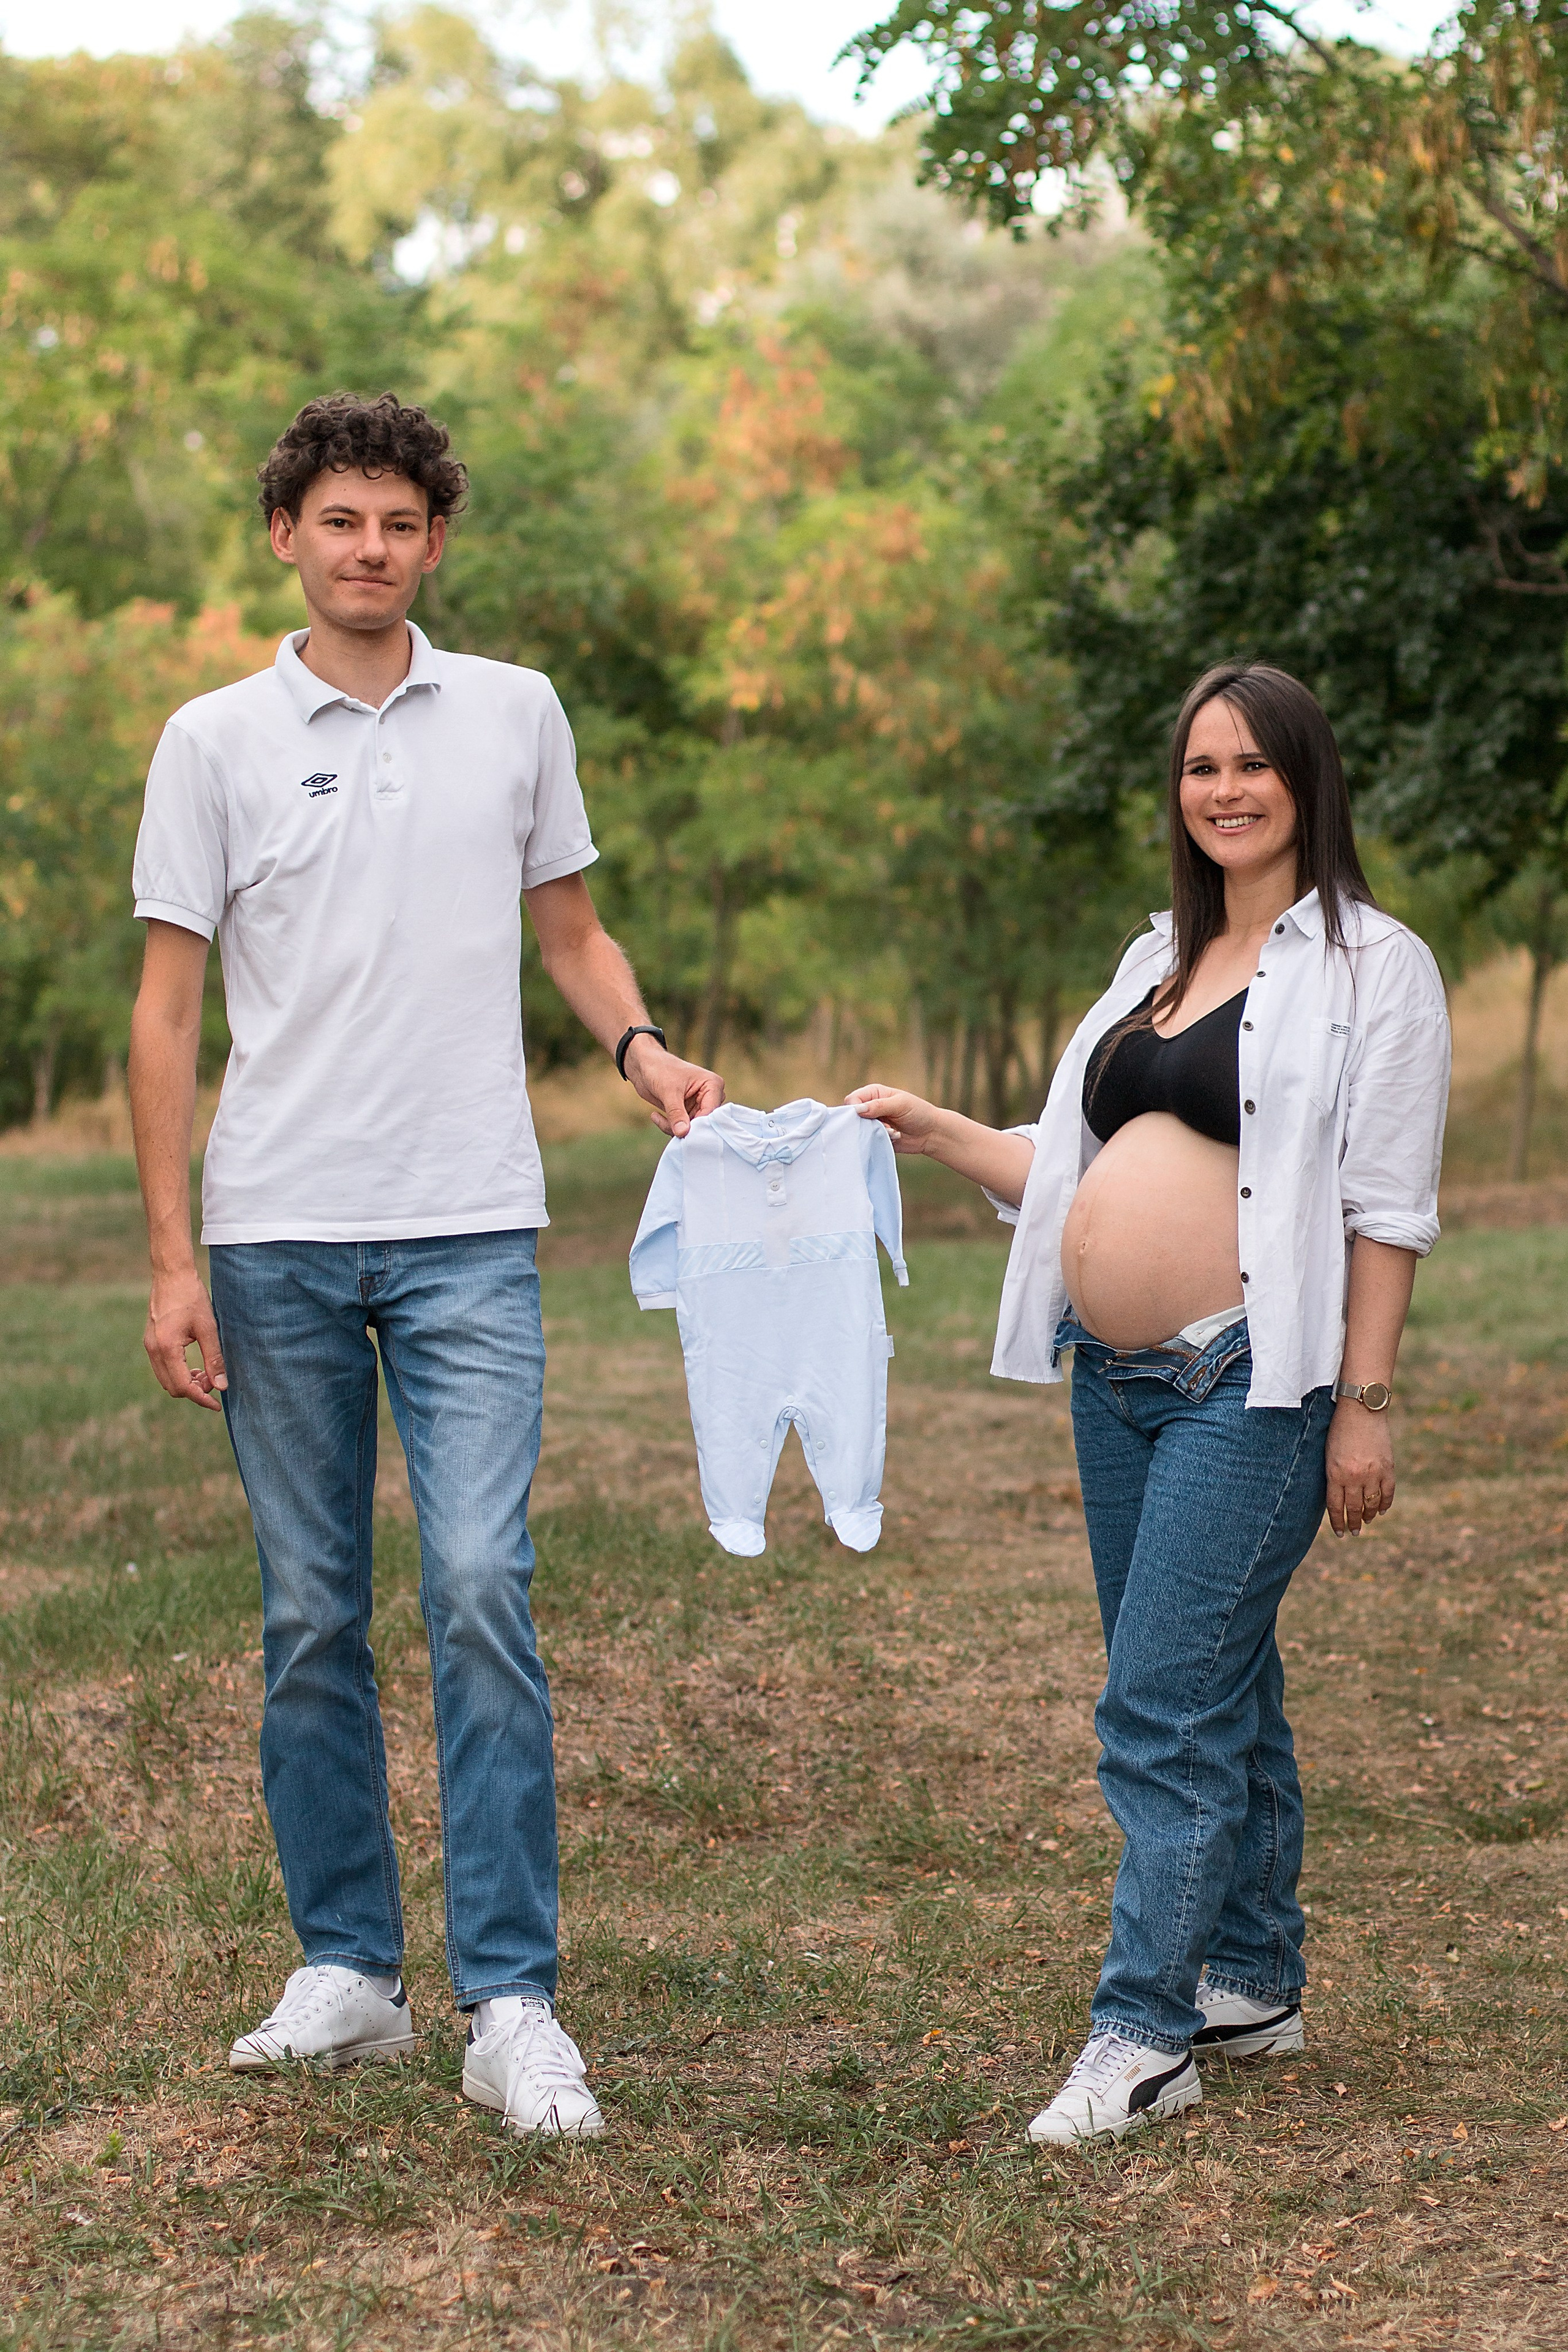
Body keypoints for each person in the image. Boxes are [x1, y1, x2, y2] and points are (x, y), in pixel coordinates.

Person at [128, 391, 723, 2136]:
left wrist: (644, 1057)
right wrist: (173, 1260)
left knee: (477, 1583)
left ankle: (514, 2002)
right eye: (340, 523)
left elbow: (576, 932)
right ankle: (348, 1974)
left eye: (399, 523)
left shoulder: (517, 715)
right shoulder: (213, 739)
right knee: (311, 1610)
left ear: (435, 541)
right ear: (288, 541)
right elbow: (167, 1016)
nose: (370, 548)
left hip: (473, 1221)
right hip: (276, 1234)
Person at [850, 661, 1450, 2146]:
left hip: (1252, 1378)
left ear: (1306, 782)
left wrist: (1362, 1405)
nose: (1226, 789)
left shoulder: (1377, 967)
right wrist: (934, 1133)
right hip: (1111, 1383)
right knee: (1211, 1679)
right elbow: (1066, 1171)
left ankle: (1143, 2032)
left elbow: (1384, 1209)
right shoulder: (1149, 965)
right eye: (1200, 768)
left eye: (1254, 764)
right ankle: (1248, 1976)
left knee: (1157, 1704)